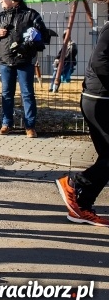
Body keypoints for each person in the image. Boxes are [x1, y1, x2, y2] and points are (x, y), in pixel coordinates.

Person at [55, 21, 109, 227]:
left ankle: (82, 206)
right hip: (99, 100)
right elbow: (99, 62)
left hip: (101, 99)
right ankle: (74, 183)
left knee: (107, 158)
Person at [0, 0, 49, 138]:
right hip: (5, 62)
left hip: (25, 62)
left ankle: (30, 126)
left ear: (13, 0)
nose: (1, 0)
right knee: (6, 94)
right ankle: (6, 124)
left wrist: (27, 46)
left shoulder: (31, 15)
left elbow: (43, 37)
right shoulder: (0, 16)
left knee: (27, 94)